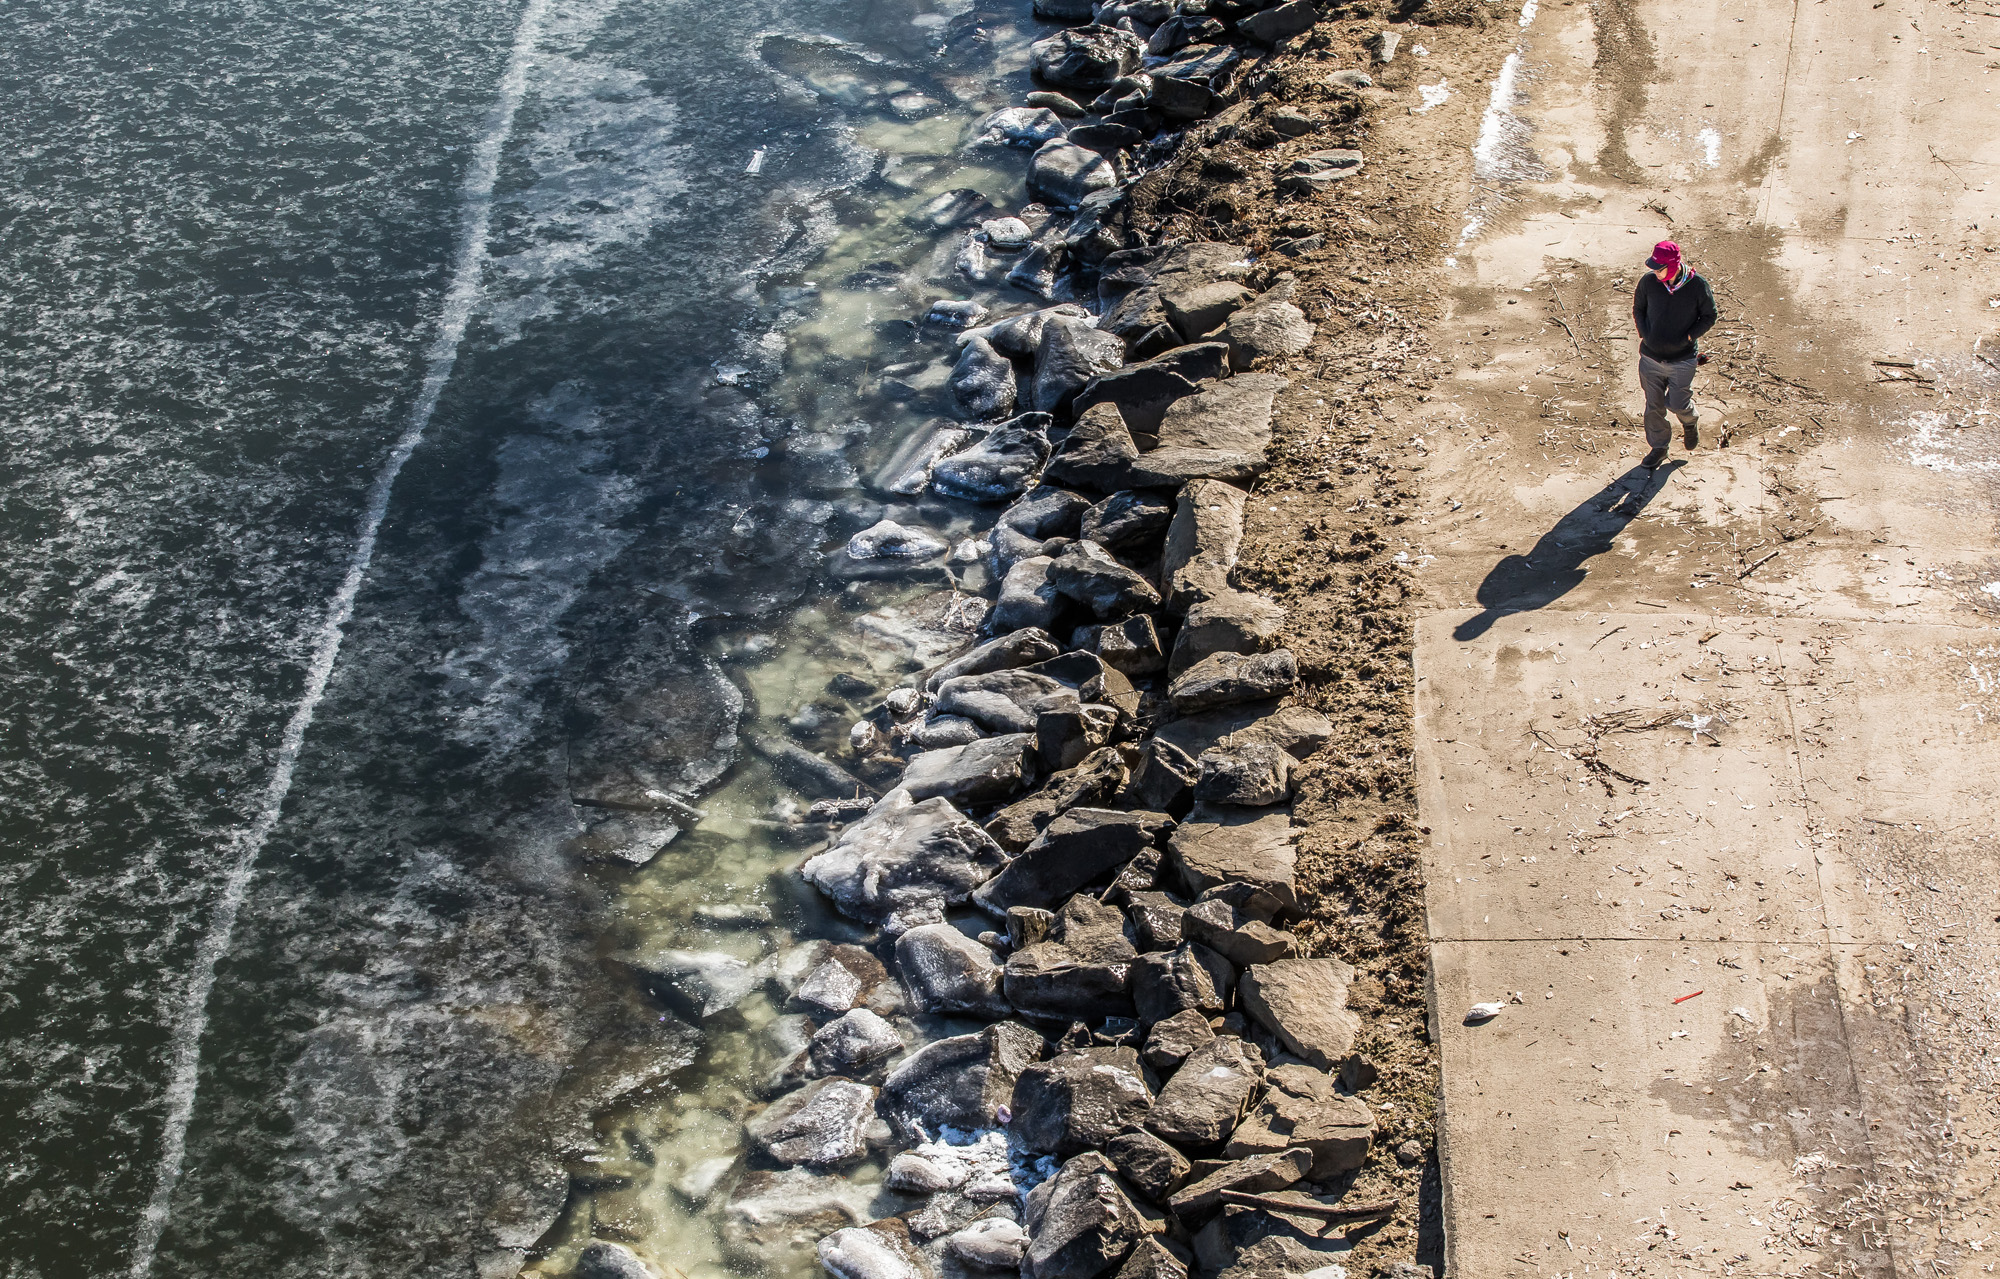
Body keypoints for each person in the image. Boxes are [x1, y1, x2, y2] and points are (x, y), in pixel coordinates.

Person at [1631, 240, 1717, 469]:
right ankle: (1659, 448)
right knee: (1654, 406)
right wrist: (1645, 334)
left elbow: (1710, 315)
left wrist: (1689, 337)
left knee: (1678, 403)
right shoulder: (1648, 282)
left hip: (1682, 360)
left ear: (1673, 265)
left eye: (1659, 268)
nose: (1655, 273)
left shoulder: (1697, 285)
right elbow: (1638, 308)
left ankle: (1689, 420)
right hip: (1650, 358)